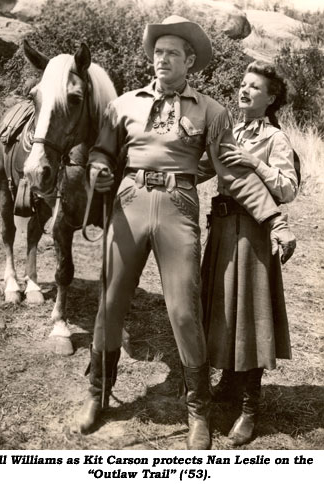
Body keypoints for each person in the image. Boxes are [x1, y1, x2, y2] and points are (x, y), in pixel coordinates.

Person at [73, 17, 296, 450]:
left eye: (172, 52)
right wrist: (100, 167)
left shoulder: (212, 111)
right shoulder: (123, 105)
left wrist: (275, 220)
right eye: (157, 52)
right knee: (111, 299)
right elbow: (103, 149)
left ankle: (199, 411)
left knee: (183, 310)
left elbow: (235, 172)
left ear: (189, 61)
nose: (162, 59)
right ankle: (97, 393)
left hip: (179, 206)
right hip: (129, 202)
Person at [201, 60, 298, 446]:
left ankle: (249, 406)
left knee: (251, 313)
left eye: (254, 87)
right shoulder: (229, 129)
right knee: (224, 306)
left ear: (271, 98)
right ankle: (226, 380)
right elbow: (206, 168)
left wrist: (255, 161)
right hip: (222, 229)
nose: (244, 90)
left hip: (254, 234)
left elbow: (288, 189)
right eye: (243, 84)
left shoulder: (275, 138)